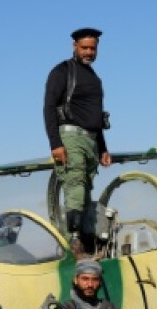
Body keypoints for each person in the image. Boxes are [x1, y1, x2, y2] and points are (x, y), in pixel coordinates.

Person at [43, 27, 112, 257]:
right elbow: (48, 107)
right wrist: (55, 143)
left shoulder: (94, 78)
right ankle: (73, 241)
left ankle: (86, 241)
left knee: (86, 191)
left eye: (93, 48)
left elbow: (96, 116)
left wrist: (103, 148)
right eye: (84, 48)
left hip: (91, 140)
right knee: (75, 185)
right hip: (70, 136)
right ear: (74, 46)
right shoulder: (62, 71)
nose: (89, 52)